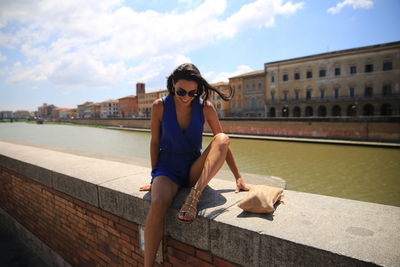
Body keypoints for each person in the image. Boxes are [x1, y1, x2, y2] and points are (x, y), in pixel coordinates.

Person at [139, 63, 249, 267]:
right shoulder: (159, 106)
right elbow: (154, 142)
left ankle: (194, 197)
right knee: (158, 204)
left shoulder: (205, 107)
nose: (186, 96)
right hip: (167, 169)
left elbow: (222, 144)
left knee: (223, 137)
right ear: (173, 85)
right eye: (181, 91)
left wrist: (238, 177)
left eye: (192, 92)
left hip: (193, 169)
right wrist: (154, 177)